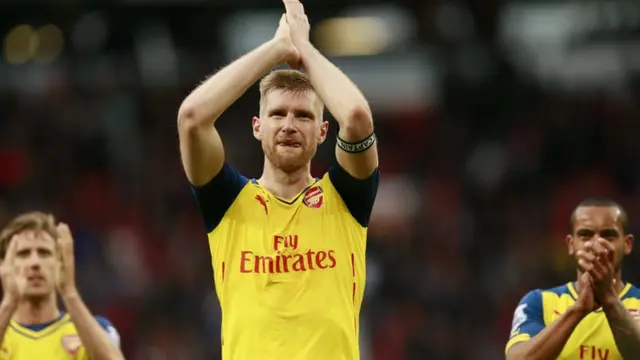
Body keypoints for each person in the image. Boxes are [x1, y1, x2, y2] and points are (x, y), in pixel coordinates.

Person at [177, 0, 378, 359]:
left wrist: (305, 49)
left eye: (303, 116)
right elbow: (192, 117)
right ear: (257, 127)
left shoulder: (346, 198)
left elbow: (358, 117)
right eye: (277, 114)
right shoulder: (227, 202)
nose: (288, 125)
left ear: (322, 131)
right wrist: (276, 50)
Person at [505, 198, 640, 360]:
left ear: (627, 244)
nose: (596, 244)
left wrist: (608, 299)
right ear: (570, 244)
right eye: (585, 235)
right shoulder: (539, 302)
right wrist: (579, 309)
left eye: (608, 235)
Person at [0, 211, 124, 360]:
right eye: (23, 254)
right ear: (4, 265)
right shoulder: (4, 335)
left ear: (60, 261)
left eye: (44, 253)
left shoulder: (91, 331)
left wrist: (69, 292)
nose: (35, 263)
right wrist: (8, 303)